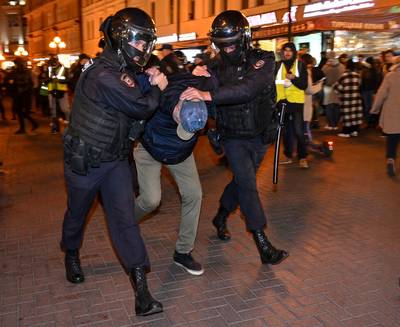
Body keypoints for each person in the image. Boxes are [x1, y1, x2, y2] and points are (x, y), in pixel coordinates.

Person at [60, 8, 167, 316]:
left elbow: (133, 85)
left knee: (124, 221)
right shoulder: (101, 74)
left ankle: (142, 293)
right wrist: (157, 88)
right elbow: (141, 105)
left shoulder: (118, 70)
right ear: (120, 39)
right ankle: (71, 252)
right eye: (139, 42)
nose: (144, 50)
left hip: (114, 161)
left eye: (147, 43)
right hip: (87, 161)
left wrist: (150, 78)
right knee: (77, 213)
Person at [180, 10, 288, 266]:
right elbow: (195, 89)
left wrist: (209, 94)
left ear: (244, 38)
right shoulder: (213, 67)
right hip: (232, 137)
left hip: (260, 135)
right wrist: (195, 78)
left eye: (231, 43)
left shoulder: (263, 60)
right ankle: (263, 244)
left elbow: (248, 89)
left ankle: (220, 216)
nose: (227, 49)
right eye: (222, 44)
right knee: (248, 184)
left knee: (240, 182)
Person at [134, 54, 212, 276]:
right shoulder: (155, 85)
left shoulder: (197, 93)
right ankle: (126, 224)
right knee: (151, 200)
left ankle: (183, 252)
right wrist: (146, 75)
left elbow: (225, 91)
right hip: (150, 147)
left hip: (179, 153)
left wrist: (208, 75)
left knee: (194, 195)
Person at [276, 42, 309, 168]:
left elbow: (304, 85)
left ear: (294, 52)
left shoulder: (300, 65)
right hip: (282, 102)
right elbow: (273, 83)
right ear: (282, 52)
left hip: (296, 103)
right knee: (286, 132)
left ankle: (303, 157)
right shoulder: (277, 65)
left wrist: (294, 78)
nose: (287, 52)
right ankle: (288, 155)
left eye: (290, 50)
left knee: (298, 130)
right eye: (285, 50)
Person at [370, 63, 400, 176]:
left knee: (392, 139)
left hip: (393, 113)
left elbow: (381, 94)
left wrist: (374, 109)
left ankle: (391, 160)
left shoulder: (390, 76)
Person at [7, 58, 38, 134]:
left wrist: (14, 83)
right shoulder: (17, 71)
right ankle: (23, 128)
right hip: (20, 94)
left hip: (24, 94)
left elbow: (28, 82)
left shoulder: (26, 72)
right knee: (19, 111)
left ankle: (32, 124)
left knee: (23, 112)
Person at [333, 59, 363, 137]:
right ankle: (355, 130)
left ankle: (346, 132)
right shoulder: (358, 76)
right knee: (355, 114)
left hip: (346, 99)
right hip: (356, 98)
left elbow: (337, 88)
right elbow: (359, 86)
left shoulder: (343, 76)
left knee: (347, 115)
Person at [322, 51, 345, 130]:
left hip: (328, 88)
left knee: (329, 106)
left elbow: (322, 74)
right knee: (337, 106)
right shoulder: (341, 66)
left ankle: (330, 124)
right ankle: (335, 124)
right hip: (338, 88)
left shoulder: (326, 66)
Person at [47, 56, 71, 133]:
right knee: (53, 110)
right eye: (51, 62)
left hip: (62, 92)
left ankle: (70, 123)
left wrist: (60, 81)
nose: (53, 64)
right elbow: (44, 80)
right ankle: (55, 128)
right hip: (51, 91)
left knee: (65, 109)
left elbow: (69, 80)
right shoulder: (49, 69)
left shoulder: (64, 69)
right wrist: (47, 80)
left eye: (54, 62)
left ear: (57, 61)